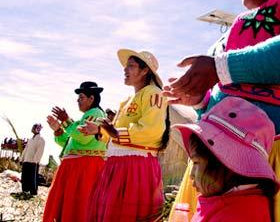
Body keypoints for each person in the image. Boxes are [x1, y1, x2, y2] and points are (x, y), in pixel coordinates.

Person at [163, 0, 280, 220]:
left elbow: (225, 70)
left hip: (271, 156)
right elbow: (227, 91)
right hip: (217, 163)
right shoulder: (230, 35)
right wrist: (202, 100)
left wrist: (219, 67)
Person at [79, 49, 170, 222]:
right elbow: (115, 133)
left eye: (131, 66)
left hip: (135, 164)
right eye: (125, 66)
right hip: (117, 163)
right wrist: (99, 130)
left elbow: (153, 129)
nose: (125, 70)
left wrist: (114, 132)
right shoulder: (126, 101)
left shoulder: (154, 93)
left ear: (145, 71)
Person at [174, 97, 279, 221]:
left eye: (196, 163)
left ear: (227, 163)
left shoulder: (236, 215)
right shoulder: (238, 201)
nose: (191, 175)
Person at [43, 81, 108, 222]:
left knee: (79, 204)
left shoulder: (95, 113)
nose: (78, 101)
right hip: (78, 166)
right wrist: (58, 129)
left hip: (85, 166)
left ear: (92, 99)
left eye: (81, 97)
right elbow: (70, 143)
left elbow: (82, 137)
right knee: (73, 203)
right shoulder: (86, 116)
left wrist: (66, 121)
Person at [17, 123, 45, 197]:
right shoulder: (30, 140)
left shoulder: (41, 139)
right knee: (25, 176)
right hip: (26, 160)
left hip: (33, 162)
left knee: (33, 177)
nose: (32, 129)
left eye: (34, 127)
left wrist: (35, 160)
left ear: (37, 129)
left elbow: (40, 151)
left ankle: (33, 192)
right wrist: (21, 159)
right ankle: (25, 190)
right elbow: (25, 150)